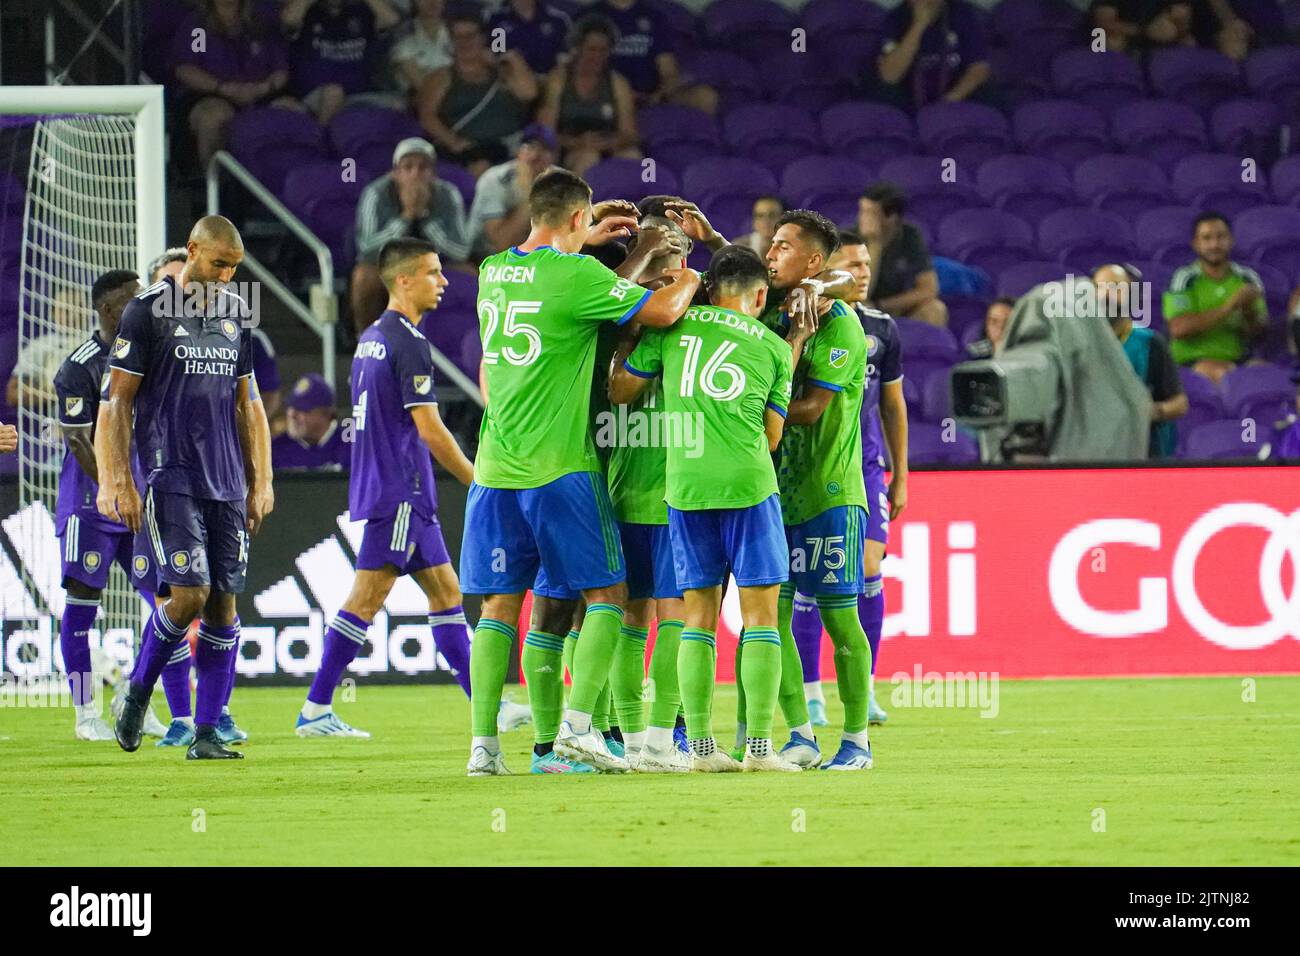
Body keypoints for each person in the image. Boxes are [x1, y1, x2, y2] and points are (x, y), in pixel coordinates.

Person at [460, 167, 701, 776]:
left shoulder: (492, 272)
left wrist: (587, 240)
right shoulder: (576, 276)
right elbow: (663, 309)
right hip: (559, 468)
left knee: (499, 608)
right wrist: (662, 257)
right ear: (577, 217)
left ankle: (484, 749)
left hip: (494, 470)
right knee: (610, 598)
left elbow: (560, 289)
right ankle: (577, 729)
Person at [296, 238, 527, 737]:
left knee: (446, 593)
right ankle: (315, 707)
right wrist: (477, 480)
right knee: (366, 598)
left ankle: (486, 706)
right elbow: (429, 429)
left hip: (401, 491)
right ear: (404, 280)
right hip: (398, 491)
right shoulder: (407, 342)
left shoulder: (372, 337)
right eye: (432, 273)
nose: (443, 282)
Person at [609, 243, 807, 772]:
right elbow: (770, 437)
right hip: (748, 487)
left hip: (685, 489)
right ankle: (760, 750)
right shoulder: (771, 347)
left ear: (708, 289)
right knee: (762, 622)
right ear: (760, 295)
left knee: (696, 621)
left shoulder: (672, 327)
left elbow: (622, 389)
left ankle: (699, 748)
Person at [97, 215, 274, 761]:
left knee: (223, 603)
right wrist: (117, 479)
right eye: (219, 264)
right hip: (169, 473)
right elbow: (117, 403)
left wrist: (260, 478)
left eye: (234, 268)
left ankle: (205, 734)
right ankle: (138, 690)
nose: (226, 276)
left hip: (226, 480)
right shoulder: (146, 311)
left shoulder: (235, 315)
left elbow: (248, 404)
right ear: (193, 250)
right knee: (190, 594)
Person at [763, 213, 876, 772]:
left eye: (783, 246)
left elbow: (807, 409)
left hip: (830, 493)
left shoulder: (841, 326)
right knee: (773, 618)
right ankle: (801, 736)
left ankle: (856, 740)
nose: (770, 252)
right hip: (775, 495)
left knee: (839, 618)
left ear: (814, 262)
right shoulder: (770, 310)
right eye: (771, 243)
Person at [789, 231, 907, 737]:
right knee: (808, 587)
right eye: (851, 264)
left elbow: (892, 404)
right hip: (808, 463)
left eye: (867, 263)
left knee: (867, 567)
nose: (862, 272)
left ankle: (867, 687)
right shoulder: (801, 317)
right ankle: (812, 695)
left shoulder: (882, 328)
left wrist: (901, 473)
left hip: (863, 465)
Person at [51, 270, 165, 742]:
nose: (140, 309)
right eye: (131, 302)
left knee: (165, 603)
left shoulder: (149, 356)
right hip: (90, 506)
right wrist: (114, 489)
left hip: (139, 501)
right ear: (107, 311)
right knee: (81, 609)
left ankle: (134, 698)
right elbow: (79, 439)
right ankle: (85, 713)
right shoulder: (79, 366)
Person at [599, 212, 692, 772]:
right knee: (631, 617)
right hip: (626, 489)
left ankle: (666, 733)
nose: (672, 271)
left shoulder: (699, 319)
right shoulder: (612, 316)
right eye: (663, 259)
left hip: (681, 494)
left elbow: (757, 292)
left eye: (679, 262)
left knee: (675, 617)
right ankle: (631, 736)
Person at [151, 247, 283, 428]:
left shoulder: (239, 333)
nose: (178, 291)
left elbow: (256, 397)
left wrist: (242, 430)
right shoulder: (140, 339)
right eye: (167, 284)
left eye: (185, 281)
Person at [350, 137, 470, 334]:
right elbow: (366, 248)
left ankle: (457, 342)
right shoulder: (375, 193)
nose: (416, 174)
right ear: (396, 173)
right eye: (408, 167)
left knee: (469, 274)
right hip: (387, 264)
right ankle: (364, 339)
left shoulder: (448, 194)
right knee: (363, 276)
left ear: (433, 173)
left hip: (434, 263)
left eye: (423, 167)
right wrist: (405, 217)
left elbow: (461, 250)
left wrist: (424, 217)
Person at [170, 0, 297, 168]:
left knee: (292, 110)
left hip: (260, 94)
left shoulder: (260, 23)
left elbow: (280, 70)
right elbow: (186, 68)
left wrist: (264, 88)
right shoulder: (199, 28)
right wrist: (221, 87)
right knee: (213, 117)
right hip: (212, 93)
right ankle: (216, 186)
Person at [414, 9, 538, 176]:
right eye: (459, 37)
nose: (466, 42)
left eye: (471, 35)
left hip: (511, 144)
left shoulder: (503, 72)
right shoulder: (441, 77)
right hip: (470, 150)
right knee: (482, 168)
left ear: (483, 37)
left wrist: (506, 58)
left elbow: (529, 93)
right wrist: (455, 143)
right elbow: (427, 117)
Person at [1163, 212, 1267, 384]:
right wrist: (1230, 306)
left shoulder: (1248, 278)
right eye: (1206, 238)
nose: (1214, 244)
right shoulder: (1185, 278)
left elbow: (1259, 334)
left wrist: (1249, 312)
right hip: (1192, 361)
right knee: (1227, 376)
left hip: (1239, 359)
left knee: (1270, 375)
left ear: (1231, 240)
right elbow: (1179, 329)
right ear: (1196, 244)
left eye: (1221, 237)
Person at [1095, 264, 1187, 458]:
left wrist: (1151, 412)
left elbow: (1179, 404)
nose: (1105, 296)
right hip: (1093, 453)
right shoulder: (1078, 344)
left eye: (1115, 288)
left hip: (1143, 453)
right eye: (1099, 288)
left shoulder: (1150, 343)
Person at [536, 14, 640, 177]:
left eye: (603, 50)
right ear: (578, 48)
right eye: (591, 49)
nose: (597, 56)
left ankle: (628, 201)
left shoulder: (618, 83)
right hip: (569, 149)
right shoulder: (558, 80)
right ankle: (580, 201)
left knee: (632, 157)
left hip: (608, 145)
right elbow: (545, 133)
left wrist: (607, 143)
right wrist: (578, 143)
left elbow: (630, 133)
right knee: (588, 157)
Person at [281, 0, 401, 125]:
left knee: (398, 105)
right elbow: (289, 19)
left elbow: (391, 19)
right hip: (315, 96)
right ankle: (320, 140)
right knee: (333, 93)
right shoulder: (309, 12)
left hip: (358, 95)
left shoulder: (362, 11)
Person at [592, 0, 716, 113]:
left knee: (706, 97)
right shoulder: (590, 16)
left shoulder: (655, 16)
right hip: (608, 96)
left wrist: (662, 91)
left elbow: (668, 71)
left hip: (652, 97)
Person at [858, 182, 948, 328]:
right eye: (862, 211)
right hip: (860, 305)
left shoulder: (910, 236)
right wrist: (875, 245)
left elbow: (929, 289)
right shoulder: (849, 237)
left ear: (891, 217)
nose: (862, 218)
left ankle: (924, 350)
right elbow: (860, 293)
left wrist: (882, 305)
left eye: (870, 213)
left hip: (893, 306)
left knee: (936, 309)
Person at [877, 0, 991, 111]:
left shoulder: (963, 13)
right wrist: (919, 25)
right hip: (908, 102)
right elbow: (890, 76)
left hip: (955, 99)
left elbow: (979, 68)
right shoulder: (895, 18)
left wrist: (949, 101)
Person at [465, 123, 557, 258]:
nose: (536, 155)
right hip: (484, 259)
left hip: (537, 259)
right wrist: (529, 194)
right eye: (530, 147)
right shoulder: (495, 179)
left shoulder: (562, 181)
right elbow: (501, 245)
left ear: (554, 157)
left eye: (545, 150)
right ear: (518, 151)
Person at [271, 373, 350, 471]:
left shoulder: (351, 447)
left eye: (302, 409)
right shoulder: (275, 450)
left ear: (326, 414)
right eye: (290, 407)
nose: (292, 414)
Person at [487, 0, 572, 76]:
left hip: (549, 80)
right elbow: (496, 55)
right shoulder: (497, 20)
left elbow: (564, 56)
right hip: (511, 81)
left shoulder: (557, 20)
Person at [390, 0, 452, 99]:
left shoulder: (457, 31)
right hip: (416, 103)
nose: (432, 2)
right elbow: (423, 85)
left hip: (460, 100)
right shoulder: (402, 34)